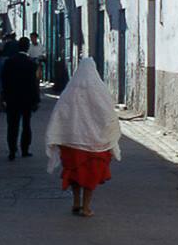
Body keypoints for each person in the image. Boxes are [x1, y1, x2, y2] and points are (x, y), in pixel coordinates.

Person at [45, 58, 121, 218]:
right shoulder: (100, 90)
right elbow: (108, 114)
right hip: (95, 143)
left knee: (75, 173)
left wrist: (60, 133)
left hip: (72, 141)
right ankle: (86, 207)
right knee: (90, 175)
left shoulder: (70, 91)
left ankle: (76, 203)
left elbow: (60, 114)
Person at [0, 37, 40, 161]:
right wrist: (36, 100)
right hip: (27, 99)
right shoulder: (31, 64)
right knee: (26, 124)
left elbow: (4, 82)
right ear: (27, 47)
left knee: (12, 125)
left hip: (12, 99)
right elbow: (34, 84)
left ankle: (12, 151)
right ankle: (25, 149)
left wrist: (4, 98)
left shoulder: (9, 62)